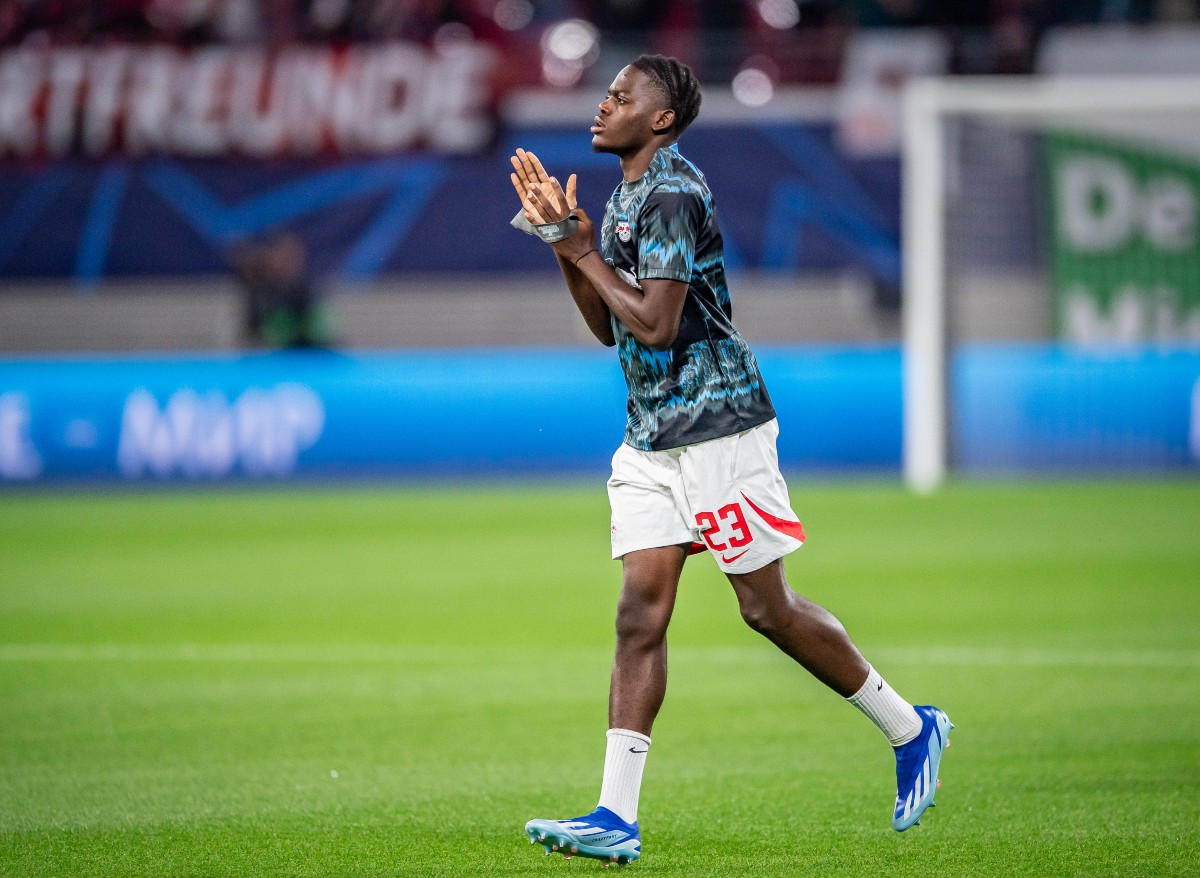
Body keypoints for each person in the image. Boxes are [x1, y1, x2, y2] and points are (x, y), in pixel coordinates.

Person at [508, 54, 951, 866]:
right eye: (605, 93)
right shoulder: (623, 198)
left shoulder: (674, 190)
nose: (603, 105)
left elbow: (655, 324)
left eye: (621, 96)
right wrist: (563, 244)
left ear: (662, 120)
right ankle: (615, 814)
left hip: (719, 427)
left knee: (765, 610)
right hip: (650, 436)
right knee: (640, 611)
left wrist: (580, 248)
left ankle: (911, 727)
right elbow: (606, 326)